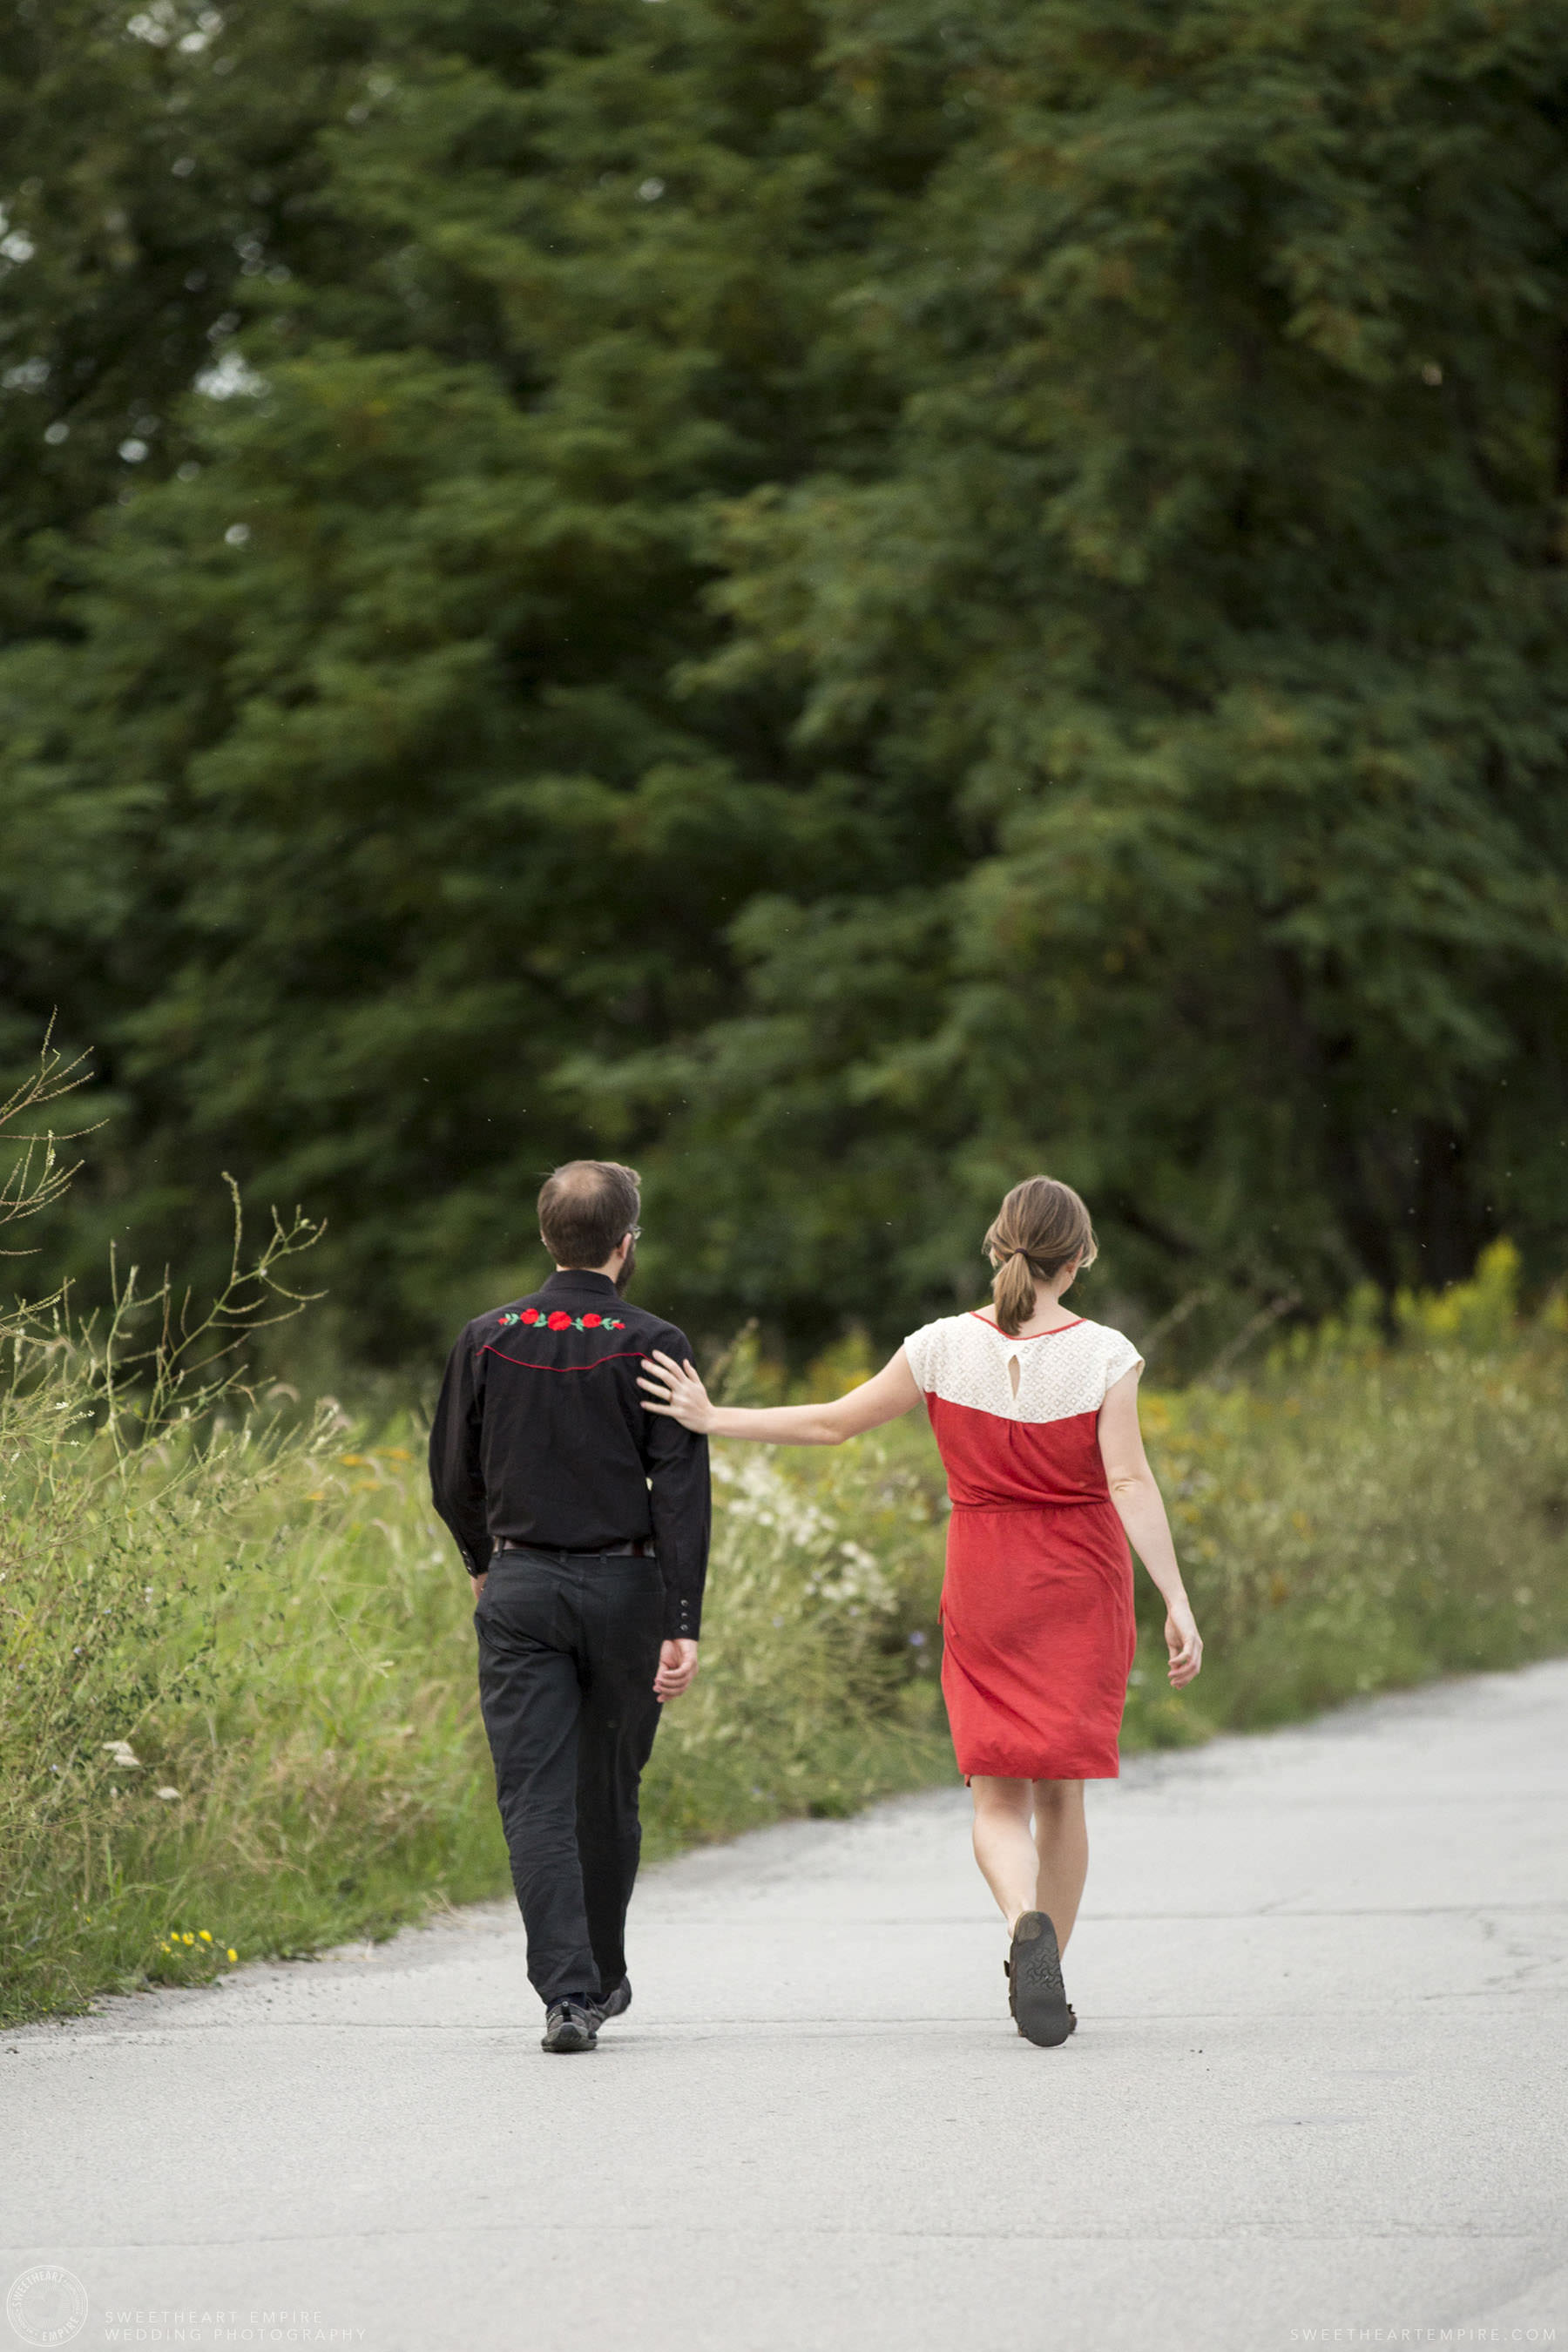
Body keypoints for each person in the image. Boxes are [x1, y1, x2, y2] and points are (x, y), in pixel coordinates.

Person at [639, 1174, 1201, 2048]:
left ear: (994, 1246)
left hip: (985, 1578)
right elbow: (1127, 1479)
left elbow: (832, 1425)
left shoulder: (939, 1347)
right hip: (1081, 1583)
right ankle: (1044, 1961)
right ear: (1081, 1258)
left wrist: (714, 1417)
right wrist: (1175, 1598)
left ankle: (1023, 1920)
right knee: (1063, 1794)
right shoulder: (1107, 1356)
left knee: (995, 1793)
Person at [429, 1159, 709, 2054]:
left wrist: (483, 1559)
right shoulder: (656, 1344)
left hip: (519, 1588)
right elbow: (680, 1493)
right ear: (626, 1245)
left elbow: (450, 1477)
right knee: (606, 1787)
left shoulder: (487, 1338)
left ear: (549, 1236)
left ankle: (570, 1995)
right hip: (628, 1589)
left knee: (534, 1797)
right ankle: (602, 1976)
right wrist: (683, 1619)